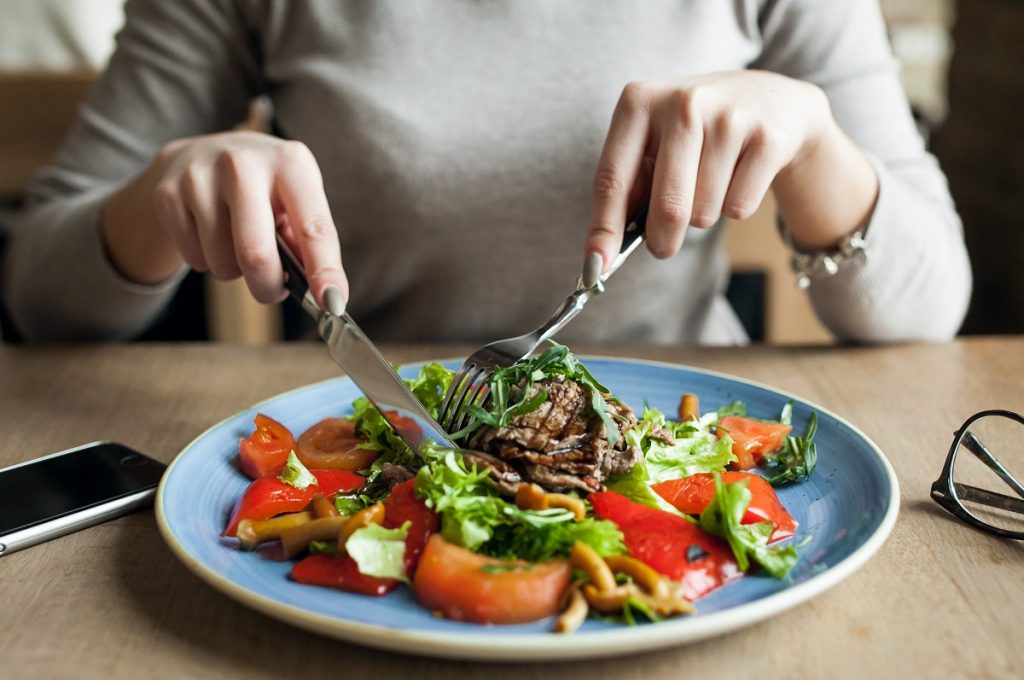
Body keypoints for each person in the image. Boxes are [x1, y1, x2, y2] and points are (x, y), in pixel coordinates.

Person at [0, 1, 971, 345]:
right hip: (373, 449)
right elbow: (42, 295)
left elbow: (931, 305)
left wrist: (813, 146)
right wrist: (162, 199)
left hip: (682, 452)